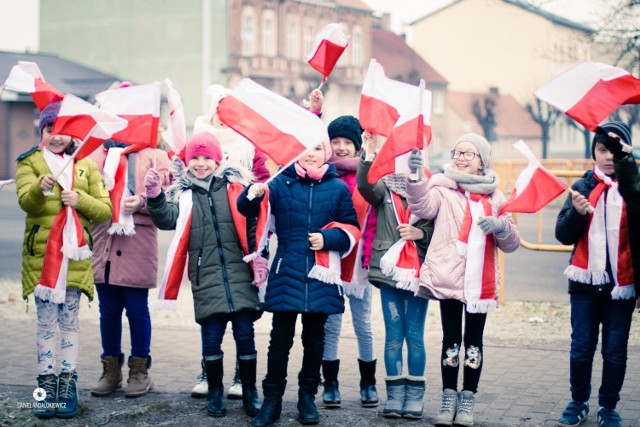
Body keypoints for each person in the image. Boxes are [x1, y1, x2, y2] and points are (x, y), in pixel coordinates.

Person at [238, 140, 359, 427]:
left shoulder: (338, 187)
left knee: (314, 340)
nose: (310, 154)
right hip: (287, 270)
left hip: (320, 275)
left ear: (325, 154)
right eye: (305, 148)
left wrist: (328, 239)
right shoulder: (280, 182)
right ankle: (272, 402)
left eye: (317, 149)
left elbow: (351, 229)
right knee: (279, 341)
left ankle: (307, 398)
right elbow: (247, 210)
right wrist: (251, 194)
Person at [145, 132, 266, 418]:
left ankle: (250, 390)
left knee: (245, 335)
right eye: (195, 158)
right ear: (187, 162)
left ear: (217, 159)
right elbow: (166, 219)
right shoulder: (183, 195)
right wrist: (155, 198)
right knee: (211, 339)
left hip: (239, 274)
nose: (200, 164)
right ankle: (215, 392)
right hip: (206, 277)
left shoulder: (236, 188)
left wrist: (259, 258)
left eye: (206, 158)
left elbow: (253, 225)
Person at [405, 133, 519, 426]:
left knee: (474, 343)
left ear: (482, 162)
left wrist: (501, 227)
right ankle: (447, 400)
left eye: (468, 154)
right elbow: (422, 207)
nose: (460, 157)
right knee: (451, 340)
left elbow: (511, 243)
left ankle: (467, 401)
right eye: (457, 151)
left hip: (481, 282)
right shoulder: (443, 188)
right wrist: (416, 177)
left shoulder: (497, 197)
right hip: (449, 278)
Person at [16, 101, 113, 419]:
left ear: (73, 134)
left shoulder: (87, 166)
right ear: (41, 132)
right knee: (45, 324)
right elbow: (25, 204)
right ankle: (44, 389)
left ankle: (68, 385)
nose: (56, 136)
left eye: (62, 130)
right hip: (42, 259)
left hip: (76, 258)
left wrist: (80, 199)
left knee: (69, 324)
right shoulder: (29, 163)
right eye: (49, 129)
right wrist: (37, 190)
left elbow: (105, 211)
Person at [191, 83, 271, 399]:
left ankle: (241, 376)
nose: (223, 119)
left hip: (246, 236)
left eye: (229, 113)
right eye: (219, 112)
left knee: (242, 313)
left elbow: (264, 177)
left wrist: (257, 193)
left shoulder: (249, 143)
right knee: (212, 313)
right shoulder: (199, 139)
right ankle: (208, 373)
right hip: (210, 245)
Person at [555, 122, 638, 427]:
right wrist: (577, 212)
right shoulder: (582, 186)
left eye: (614, 150)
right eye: (602, 149)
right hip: (584, 283)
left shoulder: (634, 189)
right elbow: (563, 235)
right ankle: (579, 401)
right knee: (581, 348)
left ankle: (609, 406)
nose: (607, 156)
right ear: (593, 152)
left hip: (622, 285)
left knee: (615, 350)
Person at [88, 125, 171, 398]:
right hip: (104, 240)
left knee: (136, 309)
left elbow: (166, 196)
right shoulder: (96, 154)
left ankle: (140, 370)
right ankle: (111, 369)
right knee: (108, 309)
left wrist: (144, 201)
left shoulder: (156, 156)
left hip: (137, 242)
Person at [356, 132, 434, 420]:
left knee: (414, 336)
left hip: (416, 272)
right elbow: (365, 186)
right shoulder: (384, 187)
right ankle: (395, 396)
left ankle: (414, 397)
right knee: (393, 336)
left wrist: (421, 232)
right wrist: (370, 153)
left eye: (411, 155)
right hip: (389, 272)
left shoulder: (430, 189)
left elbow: (437, 228)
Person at [321, 115, 378, 409]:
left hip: (359, 263)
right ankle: (330, 383)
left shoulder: (367, 175)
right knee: (330, 324)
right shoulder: (322, 173)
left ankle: (368, 383)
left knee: (362, 324)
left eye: (348, 142)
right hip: (330, 259)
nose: (341, 148)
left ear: (357, 147)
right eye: (336, 141)